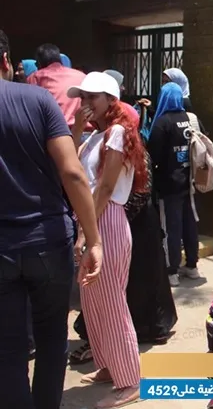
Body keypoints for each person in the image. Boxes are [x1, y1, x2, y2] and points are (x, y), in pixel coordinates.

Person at [0, 30, 103, 409]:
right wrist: (93, 239)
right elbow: (72, 172)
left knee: (8, 346)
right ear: (6, 61)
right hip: (48, 240)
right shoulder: (38, 100)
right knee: (51, 338)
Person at [67, 71, 146, 407]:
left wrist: (86, 233)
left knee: (112, 302)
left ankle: (130, 379)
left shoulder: (116, 133)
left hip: (106, 219)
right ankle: (109, 365)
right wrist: (75, 128)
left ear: (111, 100)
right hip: (93, 218)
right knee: (93, 301)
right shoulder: (94, 137)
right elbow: (69, 165)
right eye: (82, 97)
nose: (86, 103)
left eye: (92, 97)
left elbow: (106, 187)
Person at [148, 82, 206, 287]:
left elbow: (153, 154)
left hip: (169, 185)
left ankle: (171, 271)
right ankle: (192, 266)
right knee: (190, 224)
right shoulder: (191, 119)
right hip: (190, 182)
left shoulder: (162, 123)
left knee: (171, 228)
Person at [26, 44, 86, 126]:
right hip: (88, 129)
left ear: (40, 63)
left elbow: (32, 108)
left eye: (36, 63)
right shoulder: (81, 75)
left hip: (58, 130)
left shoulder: (36, 77)